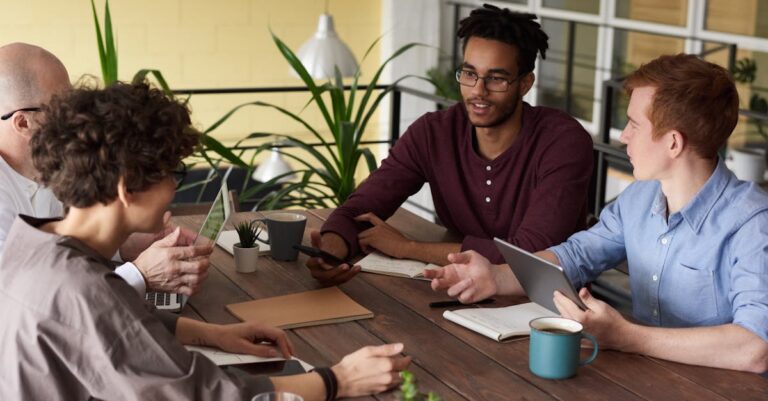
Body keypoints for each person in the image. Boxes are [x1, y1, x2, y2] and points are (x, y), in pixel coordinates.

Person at [0, 82, 410, 400]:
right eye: (170, 174)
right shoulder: (81, 289)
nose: (173, 191)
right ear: (127, 188)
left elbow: (109, 325)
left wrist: (210, 334)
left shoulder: (34, 240)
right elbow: (204, 395)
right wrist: (337, 380)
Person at [425, 54, 768, 373]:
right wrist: (496, 276)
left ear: (674, 143)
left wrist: (627, 336)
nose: (623, 137)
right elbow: (576, 256)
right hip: (647, 377)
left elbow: (755, 347)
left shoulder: (753, 222)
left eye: (634, 124)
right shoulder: (639, 197)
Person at [306, 4, 593, 286]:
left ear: (525, 84)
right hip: (459, 292)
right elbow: (361, 208)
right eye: (469, 74)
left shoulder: (562, 141)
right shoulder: (433, 133)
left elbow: (529, 256)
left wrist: (409, 248)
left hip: (549, 307)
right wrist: (330, 253)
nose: (478, 91)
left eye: (496, 78)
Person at [0, 42, 208, 297]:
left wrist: (123, 245)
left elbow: (63, 259)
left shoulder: (51, 165)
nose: (74, 117)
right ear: (23, 122)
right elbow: (29, 300)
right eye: (60, 108)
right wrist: (140, 274)